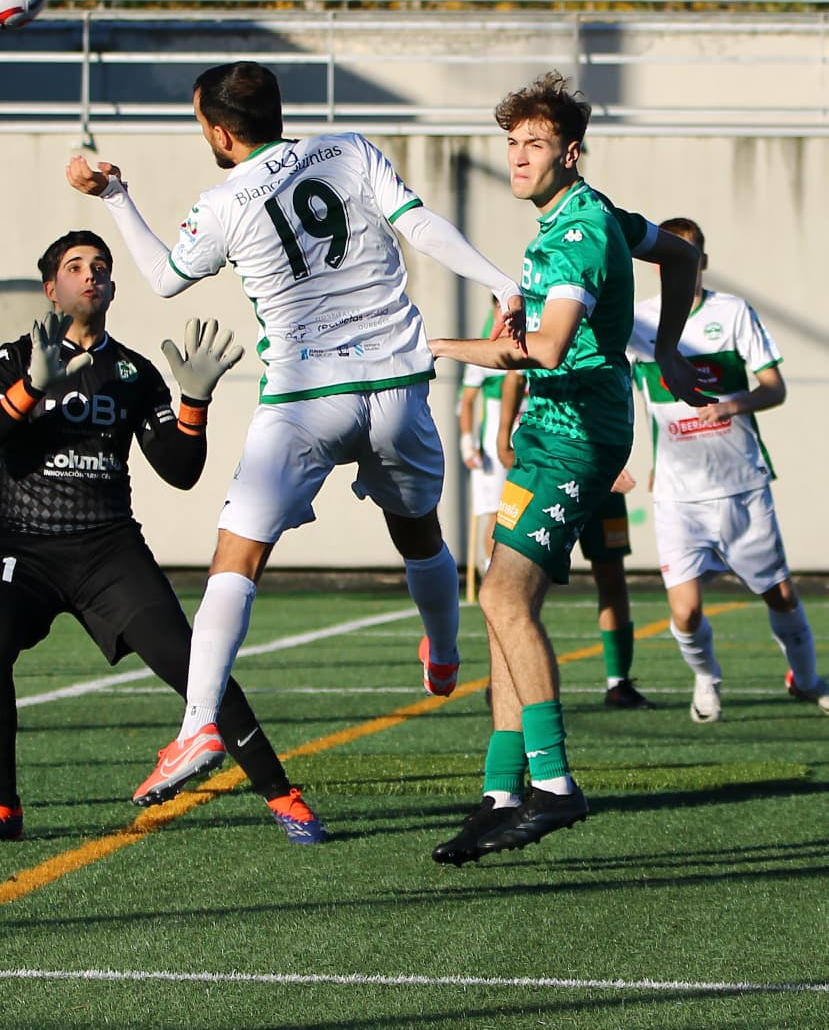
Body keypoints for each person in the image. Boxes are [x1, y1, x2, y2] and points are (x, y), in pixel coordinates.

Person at [67, 59, 525, 806]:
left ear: (220, 132)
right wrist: (501, 283)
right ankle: (443, 653)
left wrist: (116, 196)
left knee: (237, 556)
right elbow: (419, 226)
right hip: (396, 386)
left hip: (306, 396)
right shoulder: (348, 147)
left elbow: (164, 278)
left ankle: (198, 726)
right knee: (418, 534)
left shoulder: (222, 202)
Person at [0, 229, 327, 847]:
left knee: (196, 665)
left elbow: (180, 470)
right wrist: (31, 387)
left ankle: (284, 797)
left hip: (108, 551)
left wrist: (195, 401)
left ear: (112, 286)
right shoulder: (16, 356)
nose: (91, 274)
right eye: (75, 266)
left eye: (100, 266)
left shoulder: (133, 372)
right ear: (51, 288)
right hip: (25, 545)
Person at [426, 71, 707, 866]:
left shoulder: (573, 232)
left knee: (503, 597)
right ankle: (500, 792)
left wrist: (439, 346)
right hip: (552, 429)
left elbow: (548, 348)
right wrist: (666, 348)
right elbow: (679, 254)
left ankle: (552, 784)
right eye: (511, 143)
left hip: (579, 436)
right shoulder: (593, 212)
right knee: (499, 598)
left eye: (535, 144)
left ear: (569, 152)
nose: (518, 157)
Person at [627, 216, 829, 722]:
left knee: (781, 595)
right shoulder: (637, 322)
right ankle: (706, 678)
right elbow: (616, 397)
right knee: (685, 611)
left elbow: (775, 387)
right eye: (670, 257)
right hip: (678, 495)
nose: (681, 266)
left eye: (690, 257)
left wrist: (730, 405)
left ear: (703, 261)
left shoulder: (733, 312)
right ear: (656, 264)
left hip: (741, 484)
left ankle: (807, 681)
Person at [497, 371, 656, 710]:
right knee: (522, 586)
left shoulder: (618, 343)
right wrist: (502, 439)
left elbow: (640, 390)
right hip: (550, 471)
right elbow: (513, 374)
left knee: (610, 574)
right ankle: (510, 678)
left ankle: (618, 682)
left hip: (599, 471)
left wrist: (616, 456)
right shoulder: (546, 339)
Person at [457, 303, 507, 597]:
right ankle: (492, 578)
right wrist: (467, 444)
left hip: (525, 436)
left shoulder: (531, 343)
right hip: (492, 445)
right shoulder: (483, 351)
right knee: (496, 513)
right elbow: (466, 401)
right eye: (501, 307)